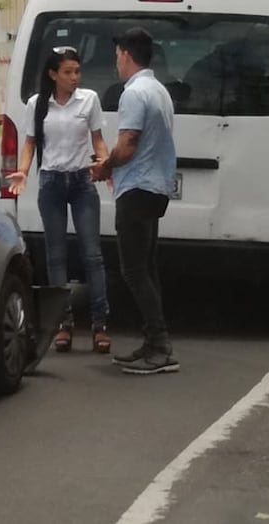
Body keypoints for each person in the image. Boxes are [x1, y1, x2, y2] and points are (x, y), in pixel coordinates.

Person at [7, 46, 112, 354]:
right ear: (53, 74)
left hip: (81, 182)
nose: (74, 78)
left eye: (77, 71)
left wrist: (103, 164)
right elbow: (29, 143)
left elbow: (98, 140)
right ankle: (62, 324)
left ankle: (100, 324)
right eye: (67, 72)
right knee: (56, 256)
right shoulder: (37, 104)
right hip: (51, 182)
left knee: (92, 254)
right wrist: (24, 171)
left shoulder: (89, 100)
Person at [89, 27, 179, 375]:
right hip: (154, 187)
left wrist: (104, 167)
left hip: (137, 189)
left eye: (116, 56)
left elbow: (127, 144)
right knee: (147, 268)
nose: (116, 63)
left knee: (134, 270)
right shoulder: (158, 90)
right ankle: (152, 342)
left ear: (126, 54)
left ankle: (161, 345)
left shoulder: (134, 93)